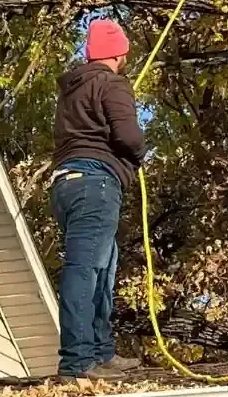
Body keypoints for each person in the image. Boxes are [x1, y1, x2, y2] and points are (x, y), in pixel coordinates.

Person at [50, 19, 146, 381]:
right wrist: (140, 150)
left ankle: (101, 353)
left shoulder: (72, 90)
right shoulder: (113, 83)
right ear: (119, 53)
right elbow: (127, 135)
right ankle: (76, 363)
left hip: (67, 183)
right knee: (86, 270)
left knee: (101, 271)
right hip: (95, 182)